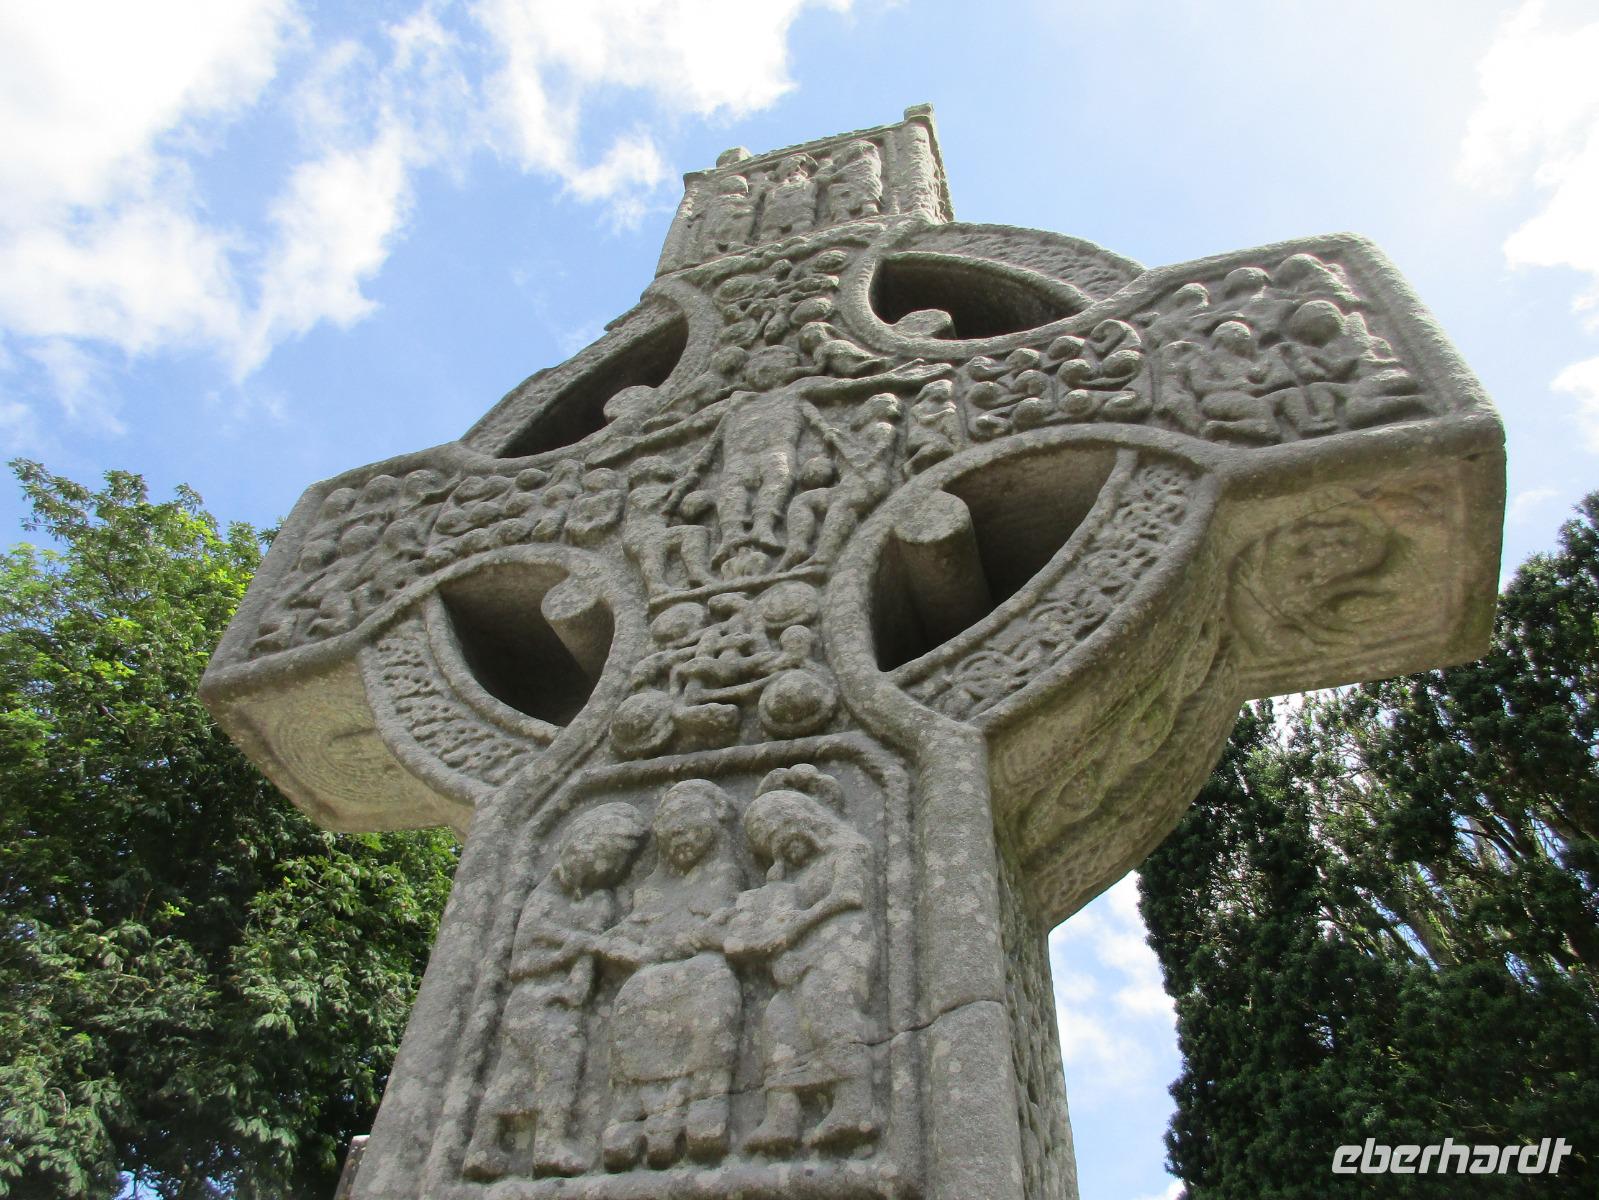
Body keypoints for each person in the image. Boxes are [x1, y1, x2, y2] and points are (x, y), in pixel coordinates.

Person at [463, 803, 648, 1180]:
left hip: (566, 1002)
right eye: (604, 859)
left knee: (514, 1074)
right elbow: (520, 964)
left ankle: (484, 1148)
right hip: (533, 1001)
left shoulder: (601, 900)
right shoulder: (543, 900)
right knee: (559, 1063)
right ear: (580, 847)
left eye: (616, 865)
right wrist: (573, 949)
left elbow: (588, 963)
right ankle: (548, 1143)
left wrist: (583, 972)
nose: (609, 871)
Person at [724, 769, 880, 1154]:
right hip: (804, 951)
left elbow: (848, 896)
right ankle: (783, 1116)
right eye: (772, 847)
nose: (782, 851)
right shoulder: (796, 874)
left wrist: (795, 926)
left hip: (842, 940)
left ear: (805, 820)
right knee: (779, 1022)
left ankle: (854, 1105)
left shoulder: (848, 850)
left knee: (830, 1012)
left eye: (785, 837)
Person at [598, 781, 745, 1169]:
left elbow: (727, 926)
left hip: (704, 971)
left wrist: (691, 940)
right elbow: (630, 931)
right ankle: (631, 1114)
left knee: (716, 990)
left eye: (690, 829)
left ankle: (705, 1105)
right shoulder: (650, 889)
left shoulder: (727, 876)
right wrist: (625, 943)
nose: (682, 841)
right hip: (650, 975)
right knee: (632, 997)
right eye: (672, 831)